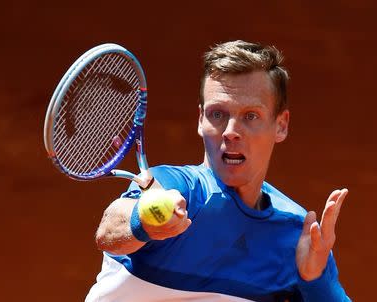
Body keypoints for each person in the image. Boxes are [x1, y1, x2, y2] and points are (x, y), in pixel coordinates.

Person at [85, 40, 350, 301]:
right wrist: (145, 221)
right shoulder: (179, 188)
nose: (232, 131)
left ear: (281, 125)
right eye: (218, 114)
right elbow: (110, 230)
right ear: (200, 120)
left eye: (250, 116)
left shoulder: (296, 233)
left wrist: (314, 280)